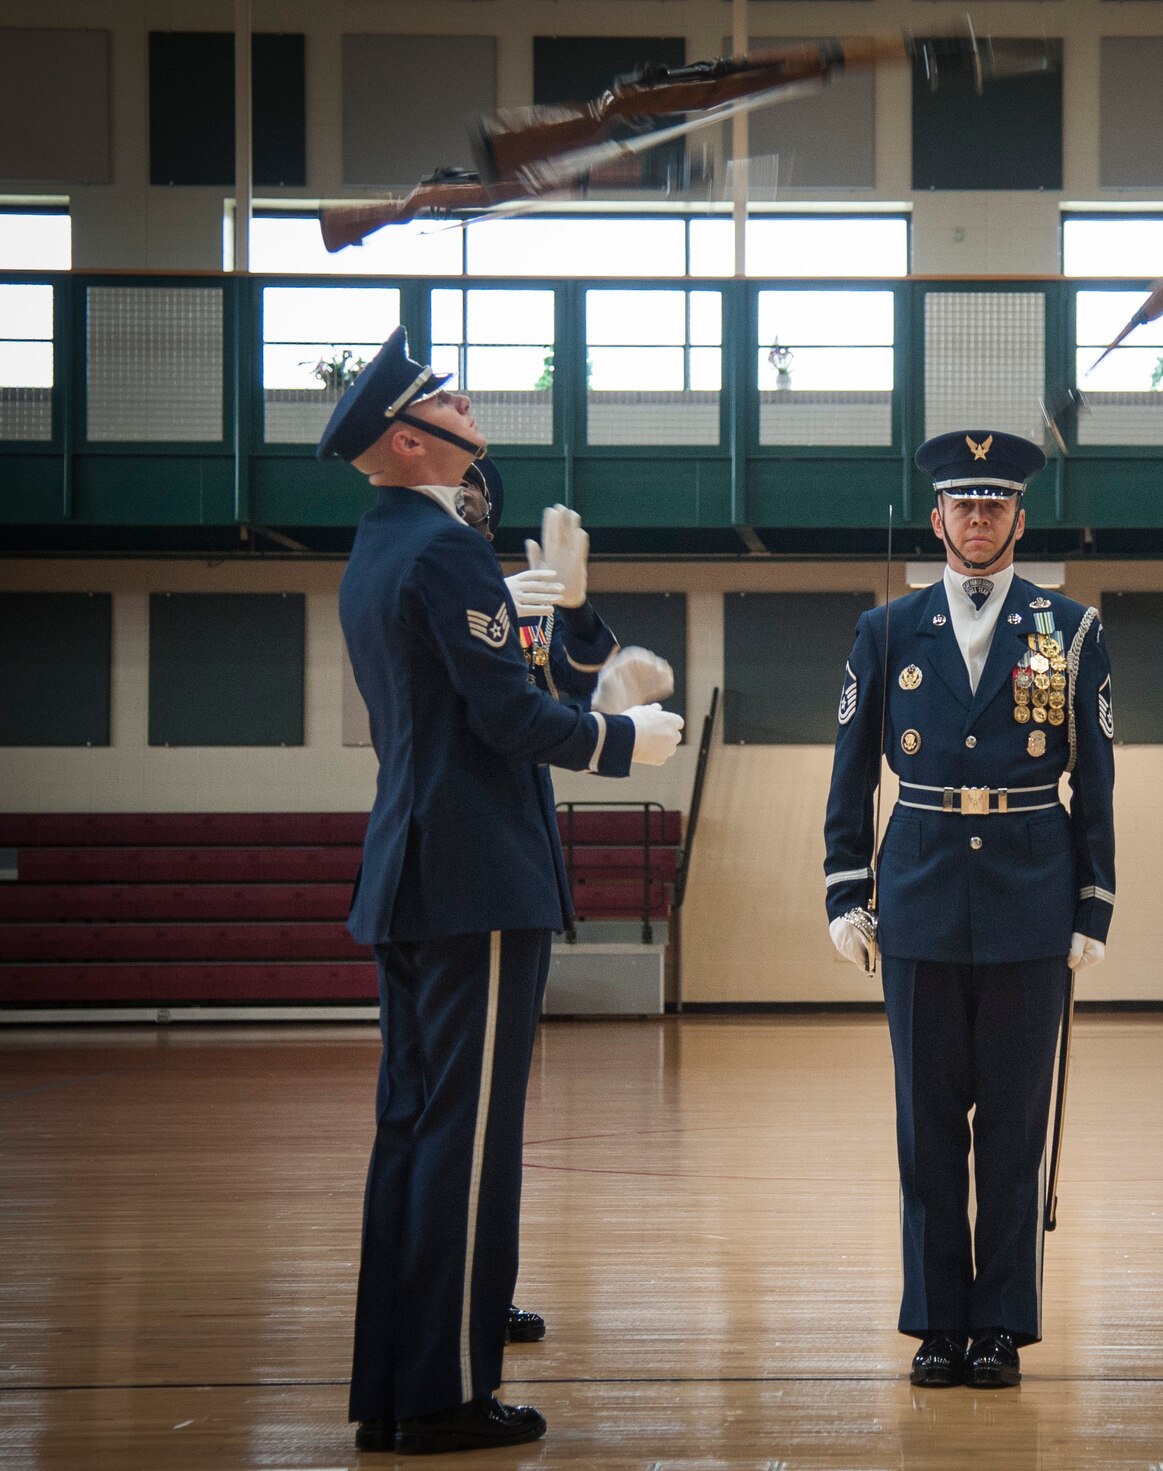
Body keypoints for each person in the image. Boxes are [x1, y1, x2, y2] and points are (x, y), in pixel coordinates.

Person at [320, 328, 684, 1455]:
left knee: (415, 1133)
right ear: (409, 440)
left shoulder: (378, 549)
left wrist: (565, 637)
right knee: (467, 1138)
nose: (468, 404)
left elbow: (470, 697)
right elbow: (508, 721)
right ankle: (442, 1393)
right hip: (475, 875)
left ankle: (398, 1382)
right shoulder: (444, 555)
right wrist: (627, 739)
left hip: (419, 867)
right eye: (444, 398)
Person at [822, 429, 1115, 1390]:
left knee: (1016, 1129)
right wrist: (844, 887)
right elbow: (853, 768)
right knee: (928, 1125)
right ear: (937, 517)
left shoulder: (1069, 627)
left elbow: (1097, 778)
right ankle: (938, 1322)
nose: (980, 517)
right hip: (919, 895)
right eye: (964, 503)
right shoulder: (887, 630)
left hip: (1032, 897)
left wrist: (1093, 902)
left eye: (996, 503)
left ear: (1019, 519)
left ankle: (1002, 1323)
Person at [450, 458, 675, 1352]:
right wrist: (612, 728)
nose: (467, 513)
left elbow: (556, 670)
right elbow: (516, 713)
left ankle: (479, 1288)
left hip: (511, 865)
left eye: (478, 505)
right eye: (456, 499)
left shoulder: (499, 597)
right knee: (464, 1115)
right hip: (473, 867)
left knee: (494, 1115)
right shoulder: (451, 591)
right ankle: (457, 1294)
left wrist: (580, 620)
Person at [459, 460, 674, 719]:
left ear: (489, 529)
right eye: (446, 481)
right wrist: (486, 605)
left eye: (470, 482)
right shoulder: (403, 579)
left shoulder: (529, 610)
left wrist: (574, 607)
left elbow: (585, 683)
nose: (459, 485)